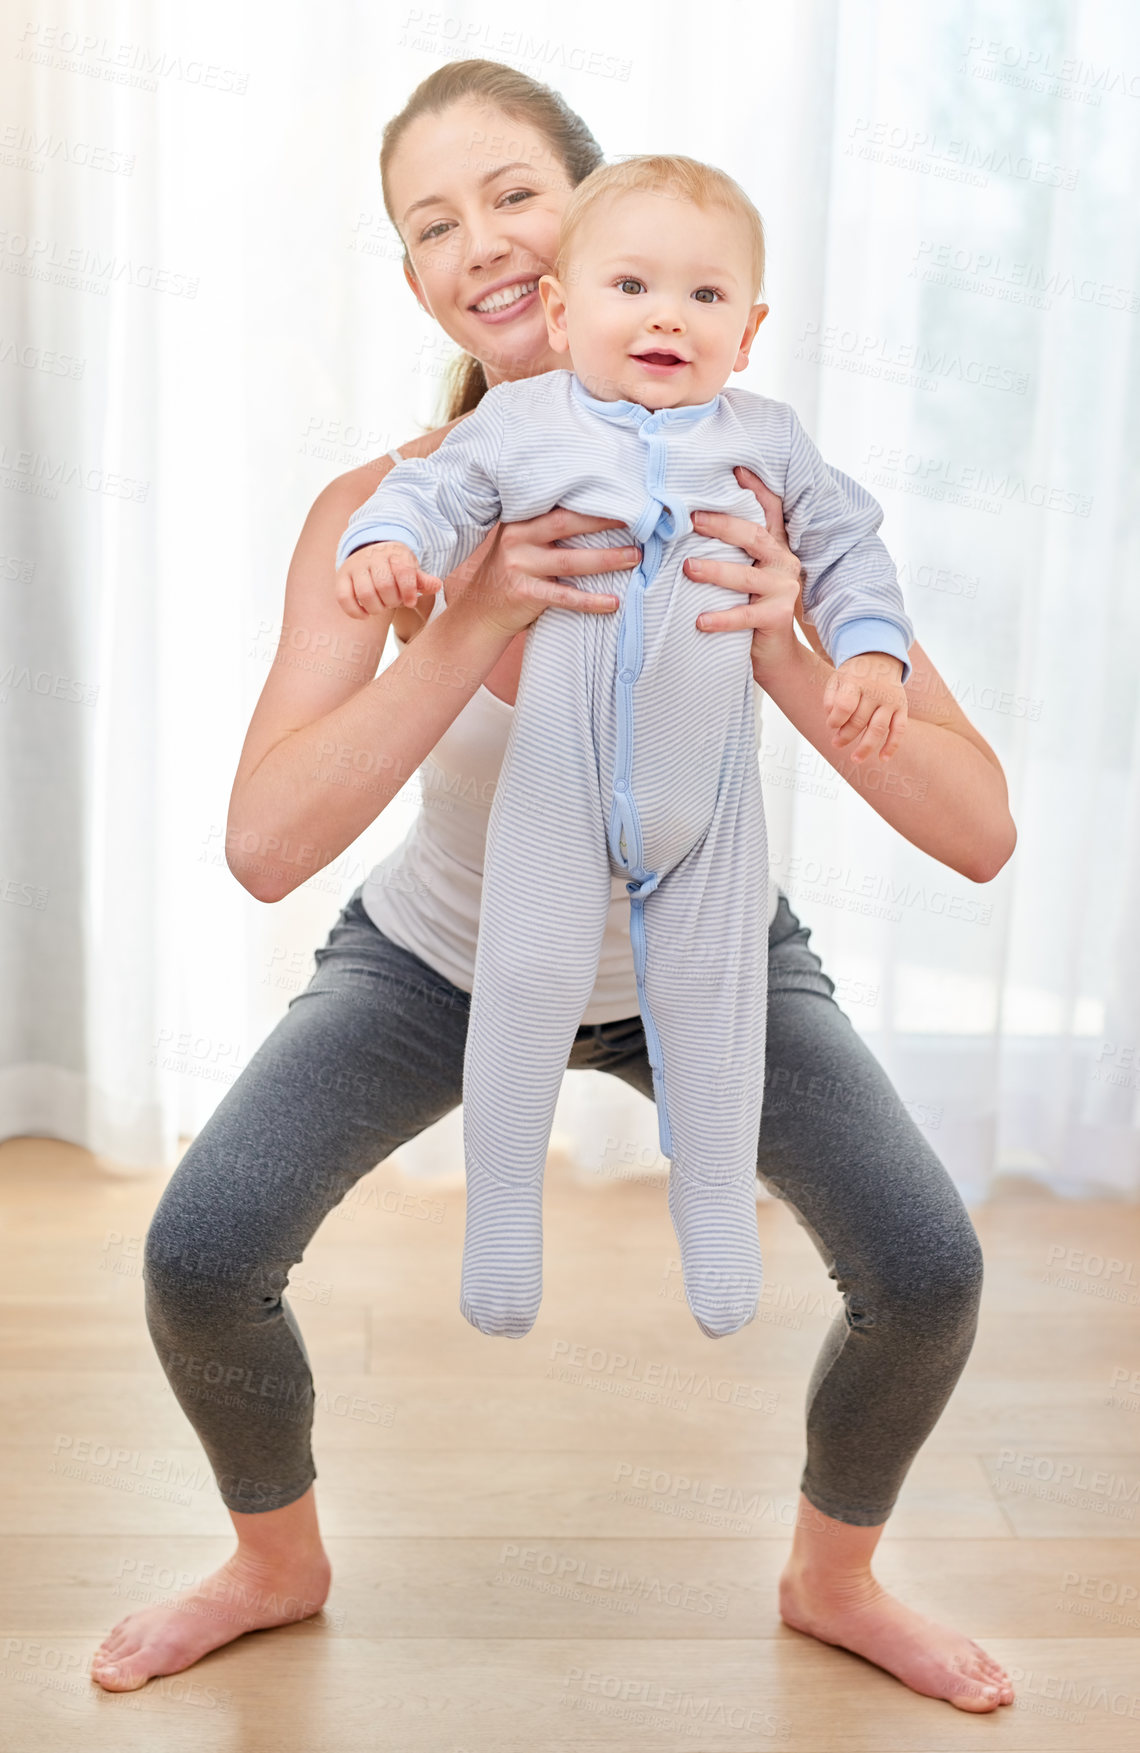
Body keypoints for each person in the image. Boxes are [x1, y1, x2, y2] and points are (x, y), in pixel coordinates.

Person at [90, 59, 1017, 1715]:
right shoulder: (384, 516)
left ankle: (835, 1575)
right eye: (432, 225)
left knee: (928, 1267)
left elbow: (979, 827)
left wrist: (795, 641)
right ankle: (274, 1558)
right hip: (439, 957)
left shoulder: (758, 480)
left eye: (514, 193)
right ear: (415, 277)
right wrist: (467, 617)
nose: (483, 246)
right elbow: (264, 843)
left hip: (711, 955)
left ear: (602, 220)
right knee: (202, 1252)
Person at [333, 150, 914, 1344]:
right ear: (562, 308)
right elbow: (429, 493)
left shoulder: (769, 442)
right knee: (526, 991)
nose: (667, 315)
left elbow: (852, 549)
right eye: (632, 286)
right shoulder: (523, 425)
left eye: (706, 297)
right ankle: (500, 1215)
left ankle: (715, 1219)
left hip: (710, 807)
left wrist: (866, 654)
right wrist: (384, 546)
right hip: (554, 783)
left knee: (715, 1013)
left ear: (747, 332)